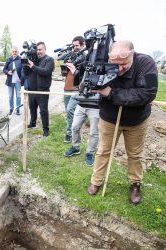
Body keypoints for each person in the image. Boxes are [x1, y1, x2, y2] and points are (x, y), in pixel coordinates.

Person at [86, 40, 158, 205]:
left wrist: (112, 93)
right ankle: (96, 180)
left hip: (136, 121)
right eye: (115, 64)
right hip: (109, 118)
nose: (119, 68)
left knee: (134, 154)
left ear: (132, 54)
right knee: (103, 151)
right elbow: (90, 82)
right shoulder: (102, 61)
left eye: (124, 63)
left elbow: (148, 93)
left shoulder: (146, 63)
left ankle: (135, 184)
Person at [26, 41, 55, 137]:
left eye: (40, 49)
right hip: (32, 90)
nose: (38, 52)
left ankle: (46, 130)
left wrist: (33, 66)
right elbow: (27, 74)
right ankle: (32, 123)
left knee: (43, 111)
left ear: (45, 49)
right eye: (37, 50)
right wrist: (25, 66)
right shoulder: (34, 60)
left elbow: (46, 71)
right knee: (32, 108)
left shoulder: (49, 60)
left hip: (43, 90)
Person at [63, 36, 85, 143]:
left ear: (82, 45)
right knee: (68, 113)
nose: (75, 47)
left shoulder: (84, 58)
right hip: (67, 88)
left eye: (77, 45)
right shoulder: (70, 56)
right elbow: (65, 74)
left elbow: (81, 74)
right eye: (74, 45)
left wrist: (73, 67)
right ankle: (70, 132)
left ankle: (69, 134)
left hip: (76, 89)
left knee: (70, 110)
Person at [3, 46, 22, 115]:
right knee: (10, 96)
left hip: (18, 81)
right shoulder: (8, 59)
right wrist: (8, 72)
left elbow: (24, 70)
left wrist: (22, 78)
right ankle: (11, 109)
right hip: (10, 81)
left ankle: (18, 109)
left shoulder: (21, 59)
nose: (14, 53)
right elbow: (4, 69)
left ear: (17, 52)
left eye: (15, 51)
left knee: (18, 96)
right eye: (13, 51)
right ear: (12, 52)